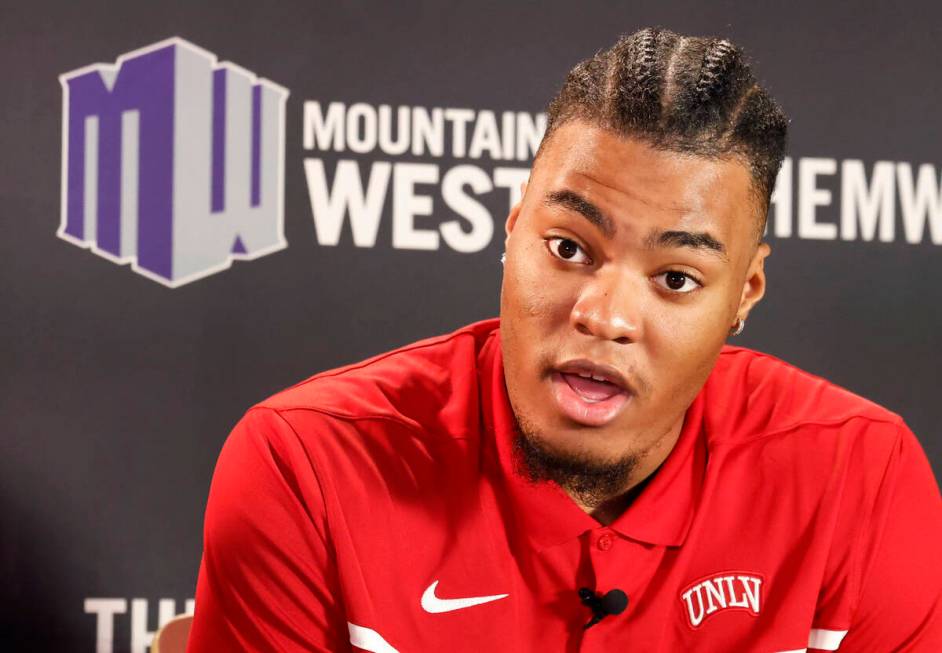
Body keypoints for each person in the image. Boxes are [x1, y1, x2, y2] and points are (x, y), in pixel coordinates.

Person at [186, 28, 942, 652]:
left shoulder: (862, 478)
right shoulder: (307, 467)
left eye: (676, 278)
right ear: (513, 230)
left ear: (743, 294)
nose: (604, 315)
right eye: (570, 248)